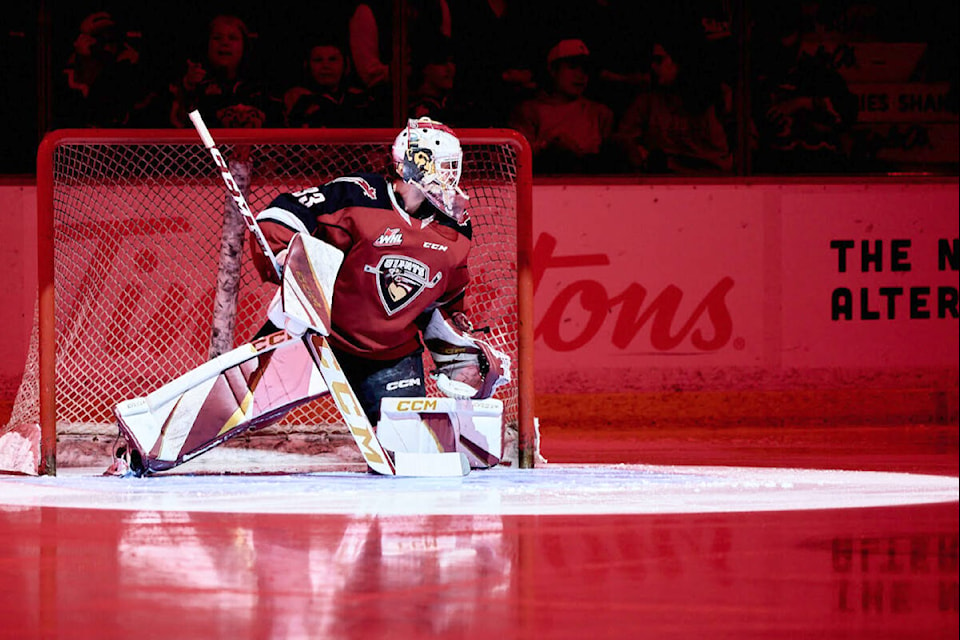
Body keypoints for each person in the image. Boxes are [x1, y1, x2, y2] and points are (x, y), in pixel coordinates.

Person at [249, 117, 508, 427]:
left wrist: (455, 350)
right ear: (415, 165)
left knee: (406, 444)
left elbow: (445, 298)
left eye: (455, 167)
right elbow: (282, 215)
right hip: (315, 337)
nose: (452, 178)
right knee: (250, 415)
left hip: (391, 357)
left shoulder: (457, 227)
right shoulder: (357, 196)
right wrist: (282, 254)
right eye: (444, 166)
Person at [751, 7, 859, 174]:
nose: (782, 44)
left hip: (821, 174)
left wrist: (802, 104)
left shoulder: (820, 74)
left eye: (787, 33)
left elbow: (848, 113)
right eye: (777, 34)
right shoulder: (757, 80)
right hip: (774, 176)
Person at [614, 28, 734, 174]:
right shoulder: (647, 102)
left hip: (718, 183)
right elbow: (623, 138)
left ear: (680, 61)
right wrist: (637, 153)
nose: (652, 66)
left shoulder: (720, 95)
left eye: (659, 60)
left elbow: (747, 140)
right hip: (664, 184)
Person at [509, 39, 616, 174]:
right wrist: (549, 147)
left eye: (585, 69)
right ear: (553, 71)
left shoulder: (600, 113)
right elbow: (518, 160)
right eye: (572, 67)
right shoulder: (529, 111)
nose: (580, 75)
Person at [167, 14, 276, 129]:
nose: (224, 43)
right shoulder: (192, 84)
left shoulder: (261, 87)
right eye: (217, 38)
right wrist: (187, 88)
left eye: (232, 38)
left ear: (245, 46)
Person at [55, 11, 158, 128]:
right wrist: (85, 60)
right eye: (99, 39)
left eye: (111, 39)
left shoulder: (126, 65)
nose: (106, 46)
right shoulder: (72, 74)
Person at [282, 39, 369, 128]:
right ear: (307, 65)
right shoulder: (298, 99)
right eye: (318, 60)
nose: (326, 66)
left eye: (333, 59)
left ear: (346, 65)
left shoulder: (361, 99)